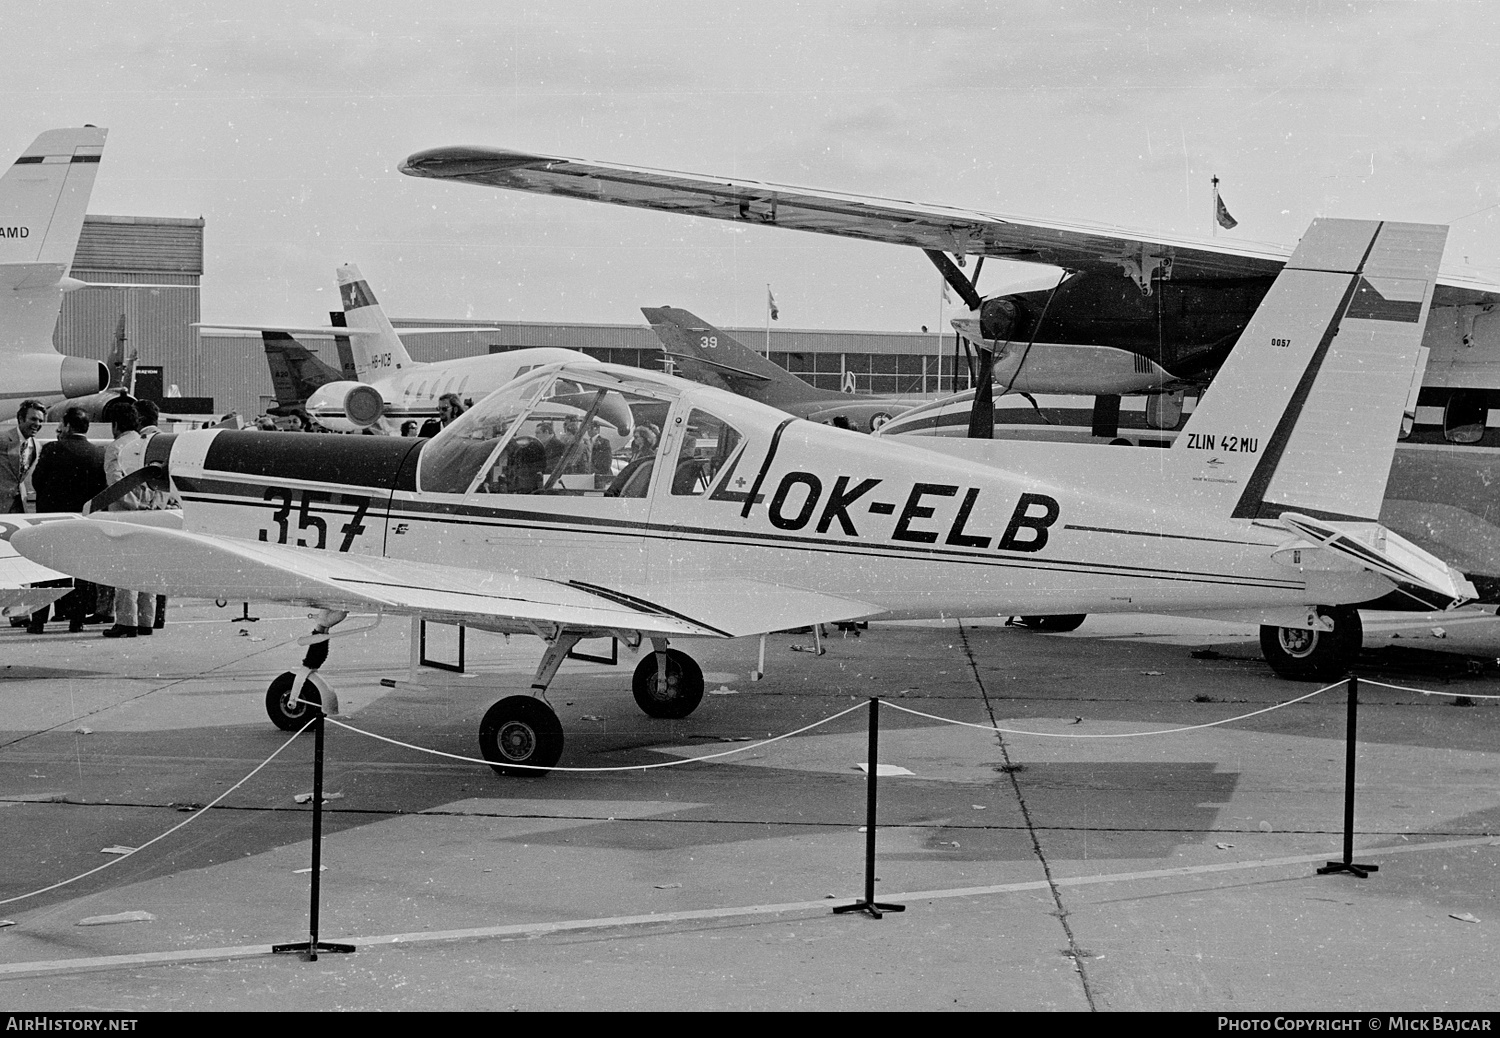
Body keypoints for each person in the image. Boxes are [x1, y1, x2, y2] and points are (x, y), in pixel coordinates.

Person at [29, 406, 107, 632]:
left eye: (61, 424)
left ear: (69, 426)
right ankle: (77, 620)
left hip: (52, 519)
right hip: (81, 520)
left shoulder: (52, 448)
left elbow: (37, 481)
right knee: (81, 571)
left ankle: (38, 621)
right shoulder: (98, 453)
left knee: (44, 570)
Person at [100, 398, 154, 639]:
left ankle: (126, 621)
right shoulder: (148, 443)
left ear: (115, 424)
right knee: (148, 569)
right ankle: (146, 620)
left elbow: (116, 484)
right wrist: (149, 506)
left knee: (125, 569)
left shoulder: (115, 448)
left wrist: (134, 506)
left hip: (125, 515)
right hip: (152, 514)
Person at [0, 399, 46, 513]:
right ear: (21, 419)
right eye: (33, 419)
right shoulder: (2, 439)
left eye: (40, 421)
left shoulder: (36, 445)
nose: (37, 424)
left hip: (20, 505)